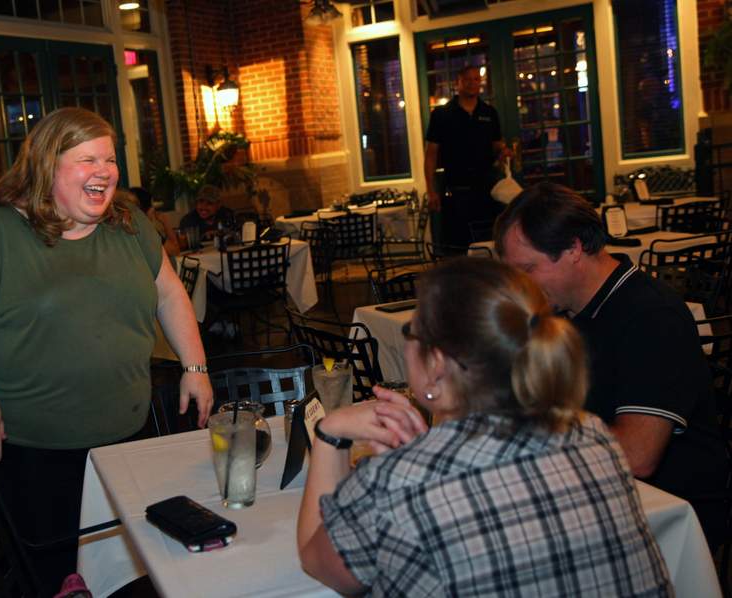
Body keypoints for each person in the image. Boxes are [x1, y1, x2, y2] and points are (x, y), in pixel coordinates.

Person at [0, 107, 213, 594]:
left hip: (127, 432)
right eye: (88, 159)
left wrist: (195, 366)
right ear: (46, 164)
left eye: (109, 158)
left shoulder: (127, 223)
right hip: (36, 448)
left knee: (132, 566)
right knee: (59, 576)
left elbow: (169, 293)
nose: (105, 170)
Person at [297, 258, 673, 596]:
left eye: (412, 330)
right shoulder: (591, 434)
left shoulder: (398, 482)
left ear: (437, 363)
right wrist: (425, 454)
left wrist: (331, 431)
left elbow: (320, 564)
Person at [494, 182, 728, 546]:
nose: (519, 286)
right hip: (589, 486)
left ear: (573, 248)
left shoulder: (652, 317)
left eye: (528, 268)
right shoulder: (558, 311)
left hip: (667, 510)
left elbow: (637, 456)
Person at [424, 65, 511, 249]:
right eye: (467, 80)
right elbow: (431, 155)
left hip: (487, 190)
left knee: (488, 242)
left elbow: (496, 144)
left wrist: (503, 150)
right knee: (458, 245)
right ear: (458, 83)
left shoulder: (489, 113)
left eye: (476, 80)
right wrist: (431, 191)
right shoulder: (442, 115)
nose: (472, 84)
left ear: (480, 83)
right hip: (457, 190)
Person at [130, 186, 180, 258]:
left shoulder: (125, 230)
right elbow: (175, 251)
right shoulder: (148, 232)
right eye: (152, 205)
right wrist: (166, 222)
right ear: (149, 209)